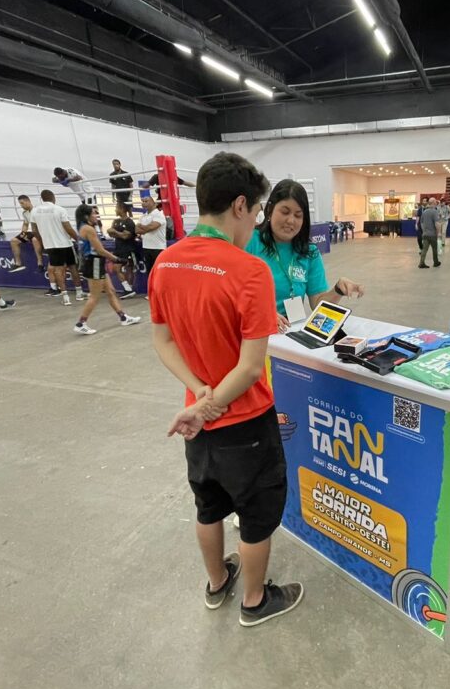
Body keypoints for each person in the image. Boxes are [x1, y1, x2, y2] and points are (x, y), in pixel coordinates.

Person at [148, 151, 303, 627]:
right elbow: (251, 367)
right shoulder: (248, 270)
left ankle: (217, 583)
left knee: (208, 504)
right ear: (240, 205)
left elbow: (163, 339)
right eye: (256, 211)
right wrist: (211, 403)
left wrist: (197, 395)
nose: (254, 221)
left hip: (199, 423)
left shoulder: (165, 262)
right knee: (256, 516)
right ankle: (255, 601)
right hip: (245, 423)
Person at [245, 179, 363, 331]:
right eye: (285, 212)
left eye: (298, 215)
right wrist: (262, 314)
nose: (291, 220)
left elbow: (318, 305)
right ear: (270, 210)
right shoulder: (250, 241)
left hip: (289, 333)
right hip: (253, 331)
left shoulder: (309, 253)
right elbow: (230, 293)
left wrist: (338, 290)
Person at [72, 204, 141, 335]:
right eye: (93, 213)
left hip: (95, 262)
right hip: (94, 263)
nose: (96, 216)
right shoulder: (88, 229)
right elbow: (100, 250)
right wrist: (117, 259)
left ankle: (123, 317)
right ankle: (81, 323)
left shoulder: (84, 227)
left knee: (111, 291)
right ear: (87, 216)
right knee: (94, 296)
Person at [31, 189, 84, 304]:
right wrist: (78, 239)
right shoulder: (59, 210)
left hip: (50, 245)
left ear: (42, 199)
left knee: (58, 270)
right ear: (53, 197)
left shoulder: (34, 211)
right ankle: (79, 293)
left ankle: (65, 297)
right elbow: (68, 228)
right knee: (73, 267)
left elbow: (34, 231)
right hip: (65, 244)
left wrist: (42, 240)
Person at [106, 201, 138, 298]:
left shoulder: (129, 222)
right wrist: (118, 233)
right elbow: (110, 233)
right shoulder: (115, 221)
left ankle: (129, 289)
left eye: (117, 208)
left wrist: (115, 232)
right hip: (118, 249)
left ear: (122, 209)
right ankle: (128, 289)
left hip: (128, 249)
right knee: (117, 269)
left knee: (126, 269)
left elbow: (126, 236)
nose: (115, 210)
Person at [136, 194, 169, 280]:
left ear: (154, 203)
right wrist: (146, 228)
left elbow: (149, 227)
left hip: (158, 248)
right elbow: (136, 231)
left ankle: (161, 293)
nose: (144, 203)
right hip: (147, 247)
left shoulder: (159, 215)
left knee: (159, 274)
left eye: (146, 201)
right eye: (143, 201)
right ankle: (152, 293)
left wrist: (142, 226)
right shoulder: (143, 216)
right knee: (150, 274)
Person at [10, 195, 42, 274]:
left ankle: (40, 264)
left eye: (22, 203)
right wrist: (23, 233)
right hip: (30, 232)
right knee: (14, 241)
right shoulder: (25, 213)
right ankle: (18, 263)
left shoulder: (38, 211)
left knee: (35, 240)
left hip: (40, 232)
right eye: (20, 204)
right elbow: (25, 224)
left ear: (28, 201)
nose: (21, 206)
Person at [418, 198, 441, 269]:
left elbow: (421, 223)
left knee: (424, 249)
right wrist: (439, 232)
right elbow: (437, 223)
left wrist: (424, 230)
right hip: (432, 234)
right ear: (434, 203)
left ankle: (421, 263)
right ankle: (436, 262)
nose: (436, 203)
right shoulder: (435, 212)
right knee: (434, 249)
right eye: (436, 202)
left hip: (425, 234)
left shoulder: (424, 212)